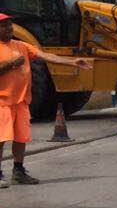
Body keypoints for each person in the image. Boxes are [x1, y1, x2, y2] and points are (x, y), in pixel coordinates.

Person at [0, 12, 91, 188]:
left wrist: (72, 62)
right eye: (4, 25)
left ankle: (18, 171)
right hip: (3, 103)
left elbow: (45, 56)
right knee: (1, 138)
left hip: (21, 102)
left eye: (10, 24)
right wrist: (11, 64)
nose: (9, 28)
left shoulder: (20, 45)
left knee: (21, 138)